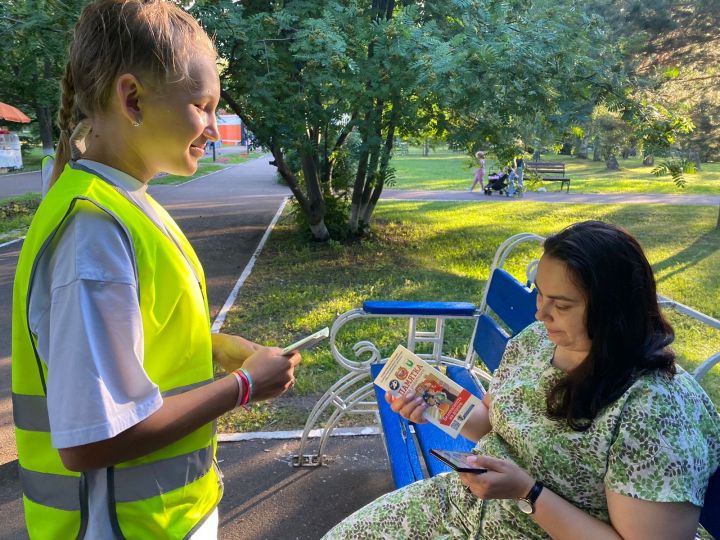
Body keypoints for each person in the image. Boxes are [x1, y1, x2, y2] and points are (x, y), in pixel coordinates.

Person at [11, 1, 300, 538]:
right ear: (131, 98)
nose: (213, 127)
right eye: (202, 106)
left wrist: (211, 346)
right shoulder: (94, 230)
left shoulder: (124, 202)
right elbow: (88, 441)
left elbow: (135, 330)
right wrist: (242, 386)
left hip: (164, 520)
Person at [323, 221, 720, 539]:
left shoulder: (656, 410)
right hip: (463, 508)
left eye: (561, 305)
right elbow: (495, 424)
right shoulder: (535, 342)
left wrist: (528, 493)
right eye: (540, 295)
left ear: (614, 311)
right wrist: (433, 408)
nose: (540, 314)